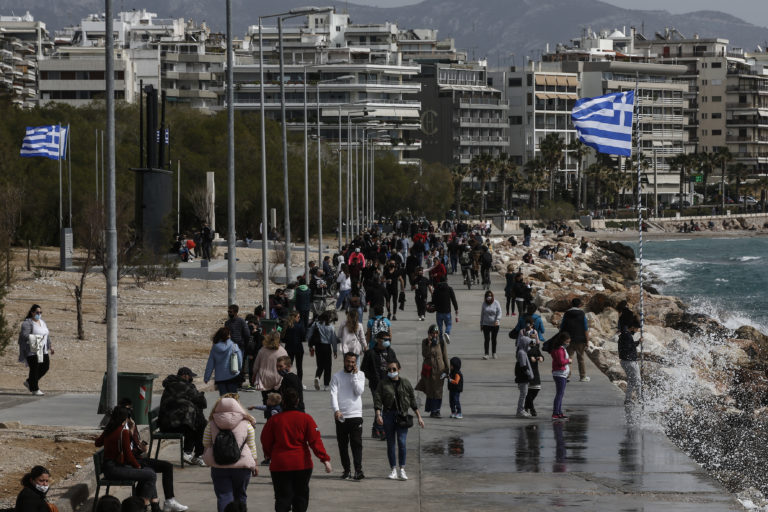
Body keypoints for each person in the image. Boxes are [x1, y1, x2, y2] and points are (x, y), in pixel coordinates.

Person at [261, 387, 332, 512]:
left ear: (283, 402)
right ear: (297, 401)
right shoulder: (306, 419)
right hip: (301, 464)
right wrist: (324, 459)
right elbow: (315, 441)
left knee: (282, 498)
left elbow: (265, 439)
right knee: (301, 497)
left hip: (280, 464)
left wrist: (268, 454)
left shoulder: (274, 420)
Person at [114, 398, 188, 512]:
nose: (130, 412)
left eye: (131, 409)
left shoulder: (130, 424)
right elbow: (126, 454)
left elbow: (133, 445)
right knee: (149, 472)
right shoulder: (121, 429)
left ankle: (169, 500)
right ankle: (152, 504)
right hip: (130, 462)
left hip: (137, 458)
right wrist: (139, 450)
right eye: (128, 410)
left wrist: (139, 444)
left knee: (166, 466)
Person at [94, 407, 166, 512]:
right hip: (115, 469)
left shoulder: (110, 428)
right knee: (150, 474)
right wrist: (138, 466)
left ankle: (141, 503)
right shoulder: (123, 432)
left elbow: (97, 443)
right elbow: (128, 455)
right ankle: (144, 506)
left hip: (109, 468)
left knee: (149, 472)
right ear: (126, 418)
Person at [202, 394, 258, 512]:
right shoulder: (247, 423)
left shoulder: (211, 424)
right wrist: (255, 463)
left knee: (224, 495)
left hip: (219, 465)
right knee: (240, 495)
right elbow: (252, 445)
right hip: (242, 466)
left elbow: (206, 443)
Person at [373, 360, 425, 481]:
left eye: (394, 369)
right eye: (389, 370)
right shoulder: (383, 384)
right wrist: (378, 415)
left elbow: (412, 400)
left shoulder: (405, 383)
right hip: (388, 415)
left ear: (399, 369)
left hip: (402, 416)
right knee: (390, 443)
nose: (391, 372)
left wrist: (419, 417)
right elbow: (378, 399)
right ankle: (393, 469)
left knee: (402, 442)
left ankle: (402, 469)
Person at [158, 367, 208, 467]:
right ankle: (192, 454)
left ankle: (193, 454)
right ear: (185, 376)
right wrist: (199, 392)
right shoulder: (183, 386)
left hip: (168, 421)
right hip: (170, 424)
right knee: (198, 425)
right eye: (190, 377)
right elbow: (202, 402)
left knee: (199, 422)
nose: (191, 380)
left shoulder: (172, 384)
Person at [329, 352, 366, 480]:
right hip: (341, 416)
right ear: (344, 361)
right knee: (342, 445)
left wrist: (354, 376)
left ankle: (358, 471)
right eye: (348, 361)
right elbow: (333, 394)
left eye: (353, 362)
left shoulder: (360, 375)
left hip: (356, 415)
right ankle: (346, 470)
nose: (350, 364)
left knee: (356, 444)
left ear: (356, 363)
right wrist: (336, 410)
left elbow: (359, 391)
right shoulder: (337, 376)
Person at [361, 331, 398, 440]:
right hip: (376, 385)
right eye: (385, 339)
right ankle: (380, 429)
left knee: (386, 407)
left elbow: (397, 365)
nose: (387, 341)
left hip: (389, 384)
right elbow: (363, 369)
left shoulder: (390, 352)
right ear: (378, 340)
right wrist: (372, 378)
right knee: (379, 407)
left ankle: (377, 429)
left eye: (388, 339)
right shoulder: (370, 353)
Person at [18, 304, 53, 396]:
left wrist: (50, 346)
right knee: (35, 368)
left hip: (43, 348)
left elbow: (47, 335)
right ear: (32, 312)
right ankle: (35, 389)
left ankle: (30, 382)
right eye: (37, 312)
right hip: (33, 348)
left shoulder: (42, 322)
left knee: (45, 367)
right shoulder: (27, 323)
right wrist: (36, 338)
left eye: (40, 312)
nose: (39, 314)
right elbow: (24, 335)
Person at [415, 325, 449, 418]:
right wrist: (429, 344)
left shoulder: (441, 342)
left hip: (439, 370)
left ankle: (436, 410)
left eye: (436, 333)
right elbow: (424, 354)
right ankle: (432, 410)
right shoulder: (425, 342)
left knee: (438, 391)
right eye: (432, 333)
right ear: (429, 334)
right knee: (430, 390)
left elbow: (445, 356)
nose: (434, 335)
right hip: (428, 370)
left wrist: (447, 370)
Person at [251, 331, 289, 406]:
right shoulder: (282, 351)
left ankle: (268, 415)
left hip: (265, 379)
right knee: (278, 401)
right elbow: (287, 366)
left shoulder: (262, 350)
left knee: (266, 400)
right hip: (278, 379)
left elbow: (256, 366)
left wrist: (254, 375)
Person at [204, 327, 243, 396]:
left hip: (220, 378)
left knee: (223, 399)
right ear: (228, 336)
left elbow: (210, 364)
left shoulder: (215, 348)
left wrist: (207, 377)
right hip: (232, 375)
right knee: (233, 398)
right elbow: (239, 359)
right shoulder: (234, 346)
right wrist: (239, 369)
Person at [307, 310, 339, 391]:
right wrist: (335, 350)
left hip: (318, 346)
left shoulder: (316, 324)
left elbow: (309, 334)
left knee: (320, 365)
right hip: (327, 347)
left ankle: (317, 377)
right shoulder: (331, 327)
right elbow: (333, 340)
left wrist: (310, 345)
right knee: (328, 366)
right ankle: (326, 385)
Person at [560, 298, 590, 382]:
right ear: (579, 305)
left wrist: (561, 338)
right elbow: (585, 328)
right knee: (581, 359)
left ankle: (567, 376)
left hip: (568, 339)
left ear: (571, 304)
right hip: (580, 339)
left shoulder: (567, 313)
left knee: (568, 358)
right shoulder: (582, 313)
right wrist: (587, 341)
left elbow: (562, 326)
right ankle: (583, 376)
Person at [618, 315, 642, 404]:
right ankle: (640, 399)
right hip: (630, 361)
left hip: (624, 361)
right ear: (632, 327)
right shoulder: (627, 336)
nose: (637, 330)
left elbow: (629, 345)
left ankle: (628, 399)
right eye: (636, 329)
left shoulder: (624, 334)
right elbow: (629, 347)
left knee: (631, 381)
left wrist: (638, 342)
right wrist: (637, 343)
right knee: (638, 380)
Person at [515, 326, 537, 417]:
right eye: (528, 344)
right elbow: (523, 366)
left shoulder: (522, 351)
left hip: (522, 376)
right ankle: (520, 410)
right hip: (522, 376)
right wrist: (529, 374)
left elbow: (533, 344)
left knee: (524, 393)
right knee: (523, 394)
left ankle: (521, 410)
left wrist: (533, 339)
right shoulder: (522, 353)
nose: (529, 346)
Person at [551, 332, 572, 420]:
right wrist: (568, 360)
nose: (568, 343)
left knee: (560, 394)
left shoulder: (561, 349)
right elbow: (561, 362)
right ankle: (556, 412)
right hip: (560, 374)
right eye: (567, 342)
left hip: (561, 374)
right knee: (559, 394)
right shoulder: (559, 350)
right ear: (563, 341)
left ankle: (559, 412)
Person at [282, 311, 306, 385]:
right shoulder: (300, 326)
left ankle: (287, 381)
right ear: (294, 317)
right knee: (299, 366)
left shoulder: (286, 326)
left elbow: (283, 338)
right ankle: (299, 383)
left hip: (289, 348)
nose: (299, 318)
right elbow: (303, 338)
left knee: (288, 366)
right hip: (298, 348)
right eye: (298, 317)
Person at [431, 280, 458, 344]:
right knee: (449, 324)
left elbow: (433, 300)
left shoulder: (436, 289)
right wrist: (456, 309)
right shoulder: (449, 289)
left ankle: (441, 340)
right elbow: (453, 299)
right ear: (446, 281)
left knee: (439, 327)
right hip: (447, 312)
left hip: (439, 312)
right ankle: (447, 332)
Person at [480, 290, 502, 360]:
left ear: (492, 296)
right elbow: (482, 314)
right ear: (485, 297)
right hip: (486, 324)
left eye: (490, 296)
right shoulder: (484, 303)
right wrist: (481, 324)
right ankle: (486, 354)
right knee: (486, 339)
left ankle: (494, 353)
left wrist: (497, 319)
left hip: (495, 324)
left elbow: (499, 312)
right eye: (487, 296)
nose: (489, 297)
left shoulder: (496, 303)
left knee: (494, 339)